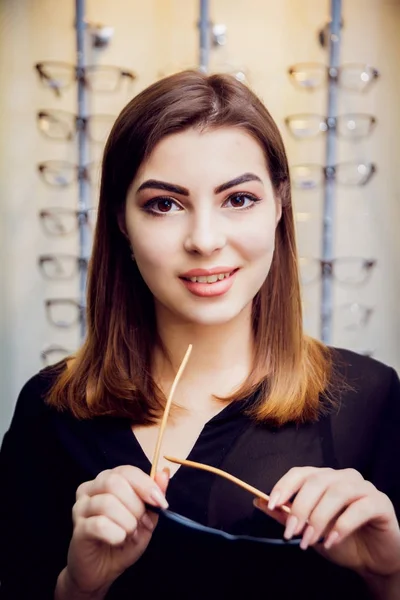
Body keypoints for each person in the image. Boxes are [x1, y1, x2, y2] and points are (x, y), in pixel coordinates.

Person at [1, 70, 399, 600]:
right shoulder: (49, 414)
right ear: (121, 219)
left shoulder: (370, 402)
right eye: (164, 204)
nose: (205, 241)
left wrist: (388, 576)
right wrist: (79, 587)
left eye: (238, 200)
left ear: (280, 205)